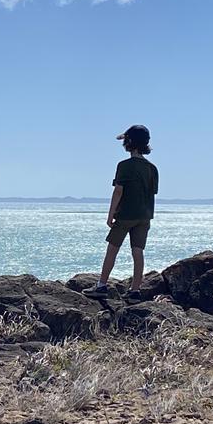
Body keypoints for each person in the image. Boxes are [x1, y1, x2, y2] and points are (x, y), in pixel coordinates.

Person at [84, 125, 159, 302]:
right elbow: (152, 192)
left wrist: (110, 215)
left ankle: (101, 285)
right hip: (145, 215)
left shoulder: (125, 166)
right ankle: (135, 290)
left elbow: (118, 191)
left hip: (126, 214)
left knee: (112, 249)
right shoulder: (152, 168)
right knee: (138, 251)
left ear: (129, 142)